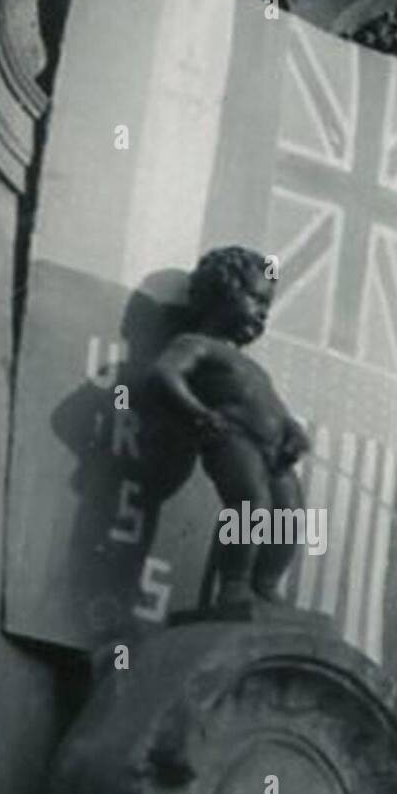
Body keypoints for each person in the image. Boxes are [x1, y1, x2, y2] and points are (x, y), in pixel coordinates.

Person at [151, 246, 310, 609]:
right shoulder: (196, 345)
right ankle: (234, 584)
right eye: (255, 299)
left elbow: (277, 410)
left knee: (292, 514)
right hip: (233, 439)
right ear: (219, 293)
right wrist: (197, 412)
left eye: (267, 306)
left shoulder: (254, 368)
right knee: (251, 502)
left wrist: (294, 433)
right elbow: (164, 374)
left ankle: (266, 584)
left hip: (274, 452)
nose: (262, 312)